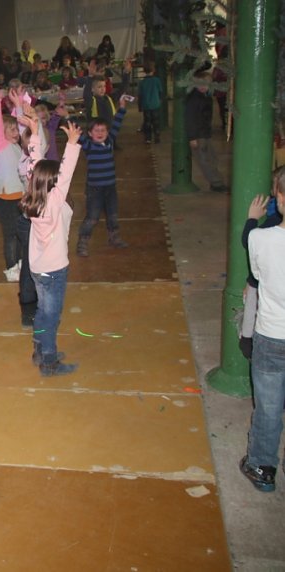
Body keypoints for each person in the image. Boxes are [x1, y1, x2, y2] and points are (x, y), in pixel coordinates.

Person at [20, 115, 83, 376]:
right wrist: (72, 144)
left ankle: (39, 349)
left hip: (38, 268)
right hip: (55, 269)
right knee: (51, 315)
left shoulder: (34, 197)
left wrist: (35, 133)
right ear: (53, 183)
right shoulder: (55, 201)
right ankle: (49, 361)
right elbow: (66, 173)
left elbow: (35, 166)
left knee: (43, 312)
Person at [240, 166, 285, 492]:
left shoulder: (259, 237)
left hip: (272, 335)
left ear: (279, 198)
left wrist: (251, 219)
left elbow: (257, 275)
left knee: (268, 407)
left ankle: (262, 467)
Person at [239, 169, 284, 358]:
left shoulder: (267, 229)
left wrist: (252, 219)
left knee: (253, 290)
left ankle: (246, 338)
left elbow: (248, 241)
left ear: (280, 196)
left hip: (272, 331)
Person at [75, 96, 129, 257]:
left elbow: (117, 124)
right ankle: (82, 242)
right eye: (96, 131)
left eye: (103, 130)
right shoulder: (89, 146)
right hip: (95, 189)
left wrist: (122, 108)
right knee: (92, 217)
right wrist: (67, 117)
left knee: (113, 215)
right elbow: (76, 132)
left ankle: (114, 237)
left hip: (110, 187)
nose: (100, 133)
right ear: (90, 133)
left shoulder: (110, 141)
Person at [0, 84, 24, 282]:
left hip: (19, 197)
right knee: (10, 234)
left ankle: (19, 262)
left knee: (20, 232)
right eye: (11, 129)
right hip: (4, 198)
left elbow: (21, 123)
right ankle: (11, 268)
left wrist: (18, 105)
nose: (16, 132)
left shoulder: (17, 147)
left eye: (16, 129)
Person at [186, 70, 229, 193]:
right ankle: (217, 183)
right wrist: (192, 137)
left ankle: (215, 181)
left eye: (206, 84)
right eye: (200, 84)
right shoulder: (194, 99)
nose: (203, 86)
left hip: (205, 133)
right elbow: (190, 119)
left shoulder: (205, 96)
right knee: (205, 160)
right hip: (199, 135)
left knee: (212, 158)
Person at [138, 61, 164, 144]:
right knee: (156, 122)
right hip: (155, 104)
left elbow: (140, 95)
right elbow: (160, 92)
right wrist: (160, 101)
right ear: (153, 70)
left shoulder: (142, 82)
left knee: (147, 122)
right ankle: (157, 137)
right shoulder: (157, 80)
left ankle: (148, 138)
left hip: (146, 105)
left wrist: (140, 107)